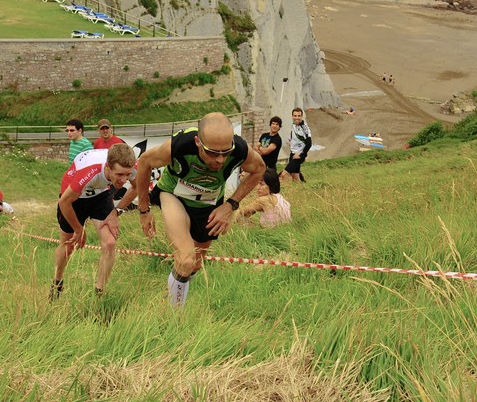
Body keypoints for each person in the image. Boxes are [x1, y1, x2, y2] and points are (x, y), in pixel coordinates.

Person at [135, 112, 265, 307]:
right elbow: (144, 162)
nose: (220, 160)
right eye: (212, 153)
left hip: (209, 204)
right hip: (174, 195)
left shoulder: (239, 149)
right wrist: (144, 211)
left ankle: (172, 293)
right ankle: (173, 318)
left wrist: (231, 205)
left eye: (225, 152)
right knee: (187, 259)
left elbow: (259, 168)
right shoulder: (179, 146)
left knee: (194, 265)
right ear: (198, 142)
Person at [50, 143, 146, 299]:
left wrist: (116, 212)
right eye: (119, 175)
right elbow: (64, 203)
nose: (123, 180)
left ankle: (99, 294)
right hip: (74, 199)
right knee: (68, 246)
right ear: (108, 167)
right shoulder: (90, 170)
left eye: (127, 175)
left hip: (100, 195)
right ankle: (57, 282)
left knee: (109, 243)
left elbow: (137, 187)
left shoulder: (131, 165)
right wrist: (79, 229)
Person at [279, 108, 312, 183]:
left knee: (284, 175)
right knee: (295, 178)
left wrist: (301, 154)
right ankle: (303, 189)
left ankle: (287, 192)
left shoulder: (305, 128)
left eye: (299, 116)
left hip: (298, 155)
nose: (297, 117)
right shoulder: (294, 125)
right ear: (292, 116)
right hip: (292, 153)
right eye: (295, 116)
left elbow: (309, 143)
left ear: (302, 116)